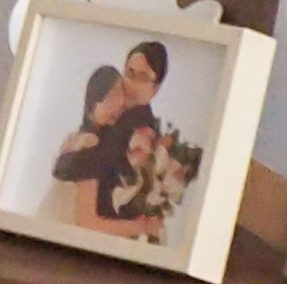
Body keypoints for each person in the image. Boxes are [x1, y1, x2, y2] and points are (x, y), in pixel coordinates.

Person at [49, 37, 195, 240]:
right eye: (130, 73)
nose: (131, 84)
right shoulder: (111, 117)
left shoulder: (142, 130)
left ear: (155, 89)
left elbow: (86, 166)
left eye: (143, 77)